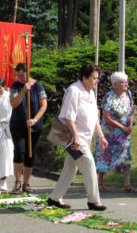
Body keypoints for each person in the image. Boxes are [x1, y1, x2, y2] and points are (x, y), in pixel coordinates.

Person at [48, 64, 108, 211]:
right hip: (74, 138)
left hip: (85, 139)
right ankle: (94, 201)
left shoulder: (91, 93)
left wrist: (101, 136)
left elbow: (94, 118)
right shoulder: (73, 90)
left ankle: (54, 198)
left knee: (70, 168)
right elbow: (69, 117)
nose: (96, 81)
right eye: (94, 78)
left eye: (97, 78)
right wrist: (75, 137)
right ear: (84, 77)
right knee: (88, 163)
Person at [94, 72, 137, 193]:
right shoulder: (109, 96)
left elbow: (132, 110)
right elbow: (107, 117)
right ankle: (100, 183)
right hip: (109, 132)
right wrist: (122, 127)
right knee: (105, 156)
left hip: (124, 133)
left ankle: (127, 184)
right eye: (124, 82)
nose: (126, 84)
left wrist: (130, 124)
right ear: (115, 84)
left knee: (126, 156)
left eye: (126, 81)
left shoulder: (128, 94)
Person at [9, 63, 48, 193]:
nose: (19, 77)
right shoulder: (15, 86)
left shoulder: (38, 86)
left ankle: (26, 183)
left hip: (34, 126)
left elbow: (43, 105)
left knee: (30, 155)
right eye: (17, 75)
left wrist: (35, 119)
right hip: (17, 125)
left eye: (21, 75)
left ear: (27, 73)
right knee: (19, 152)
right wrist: (23, 91)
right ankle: (17, 182)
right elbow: (13, 104)